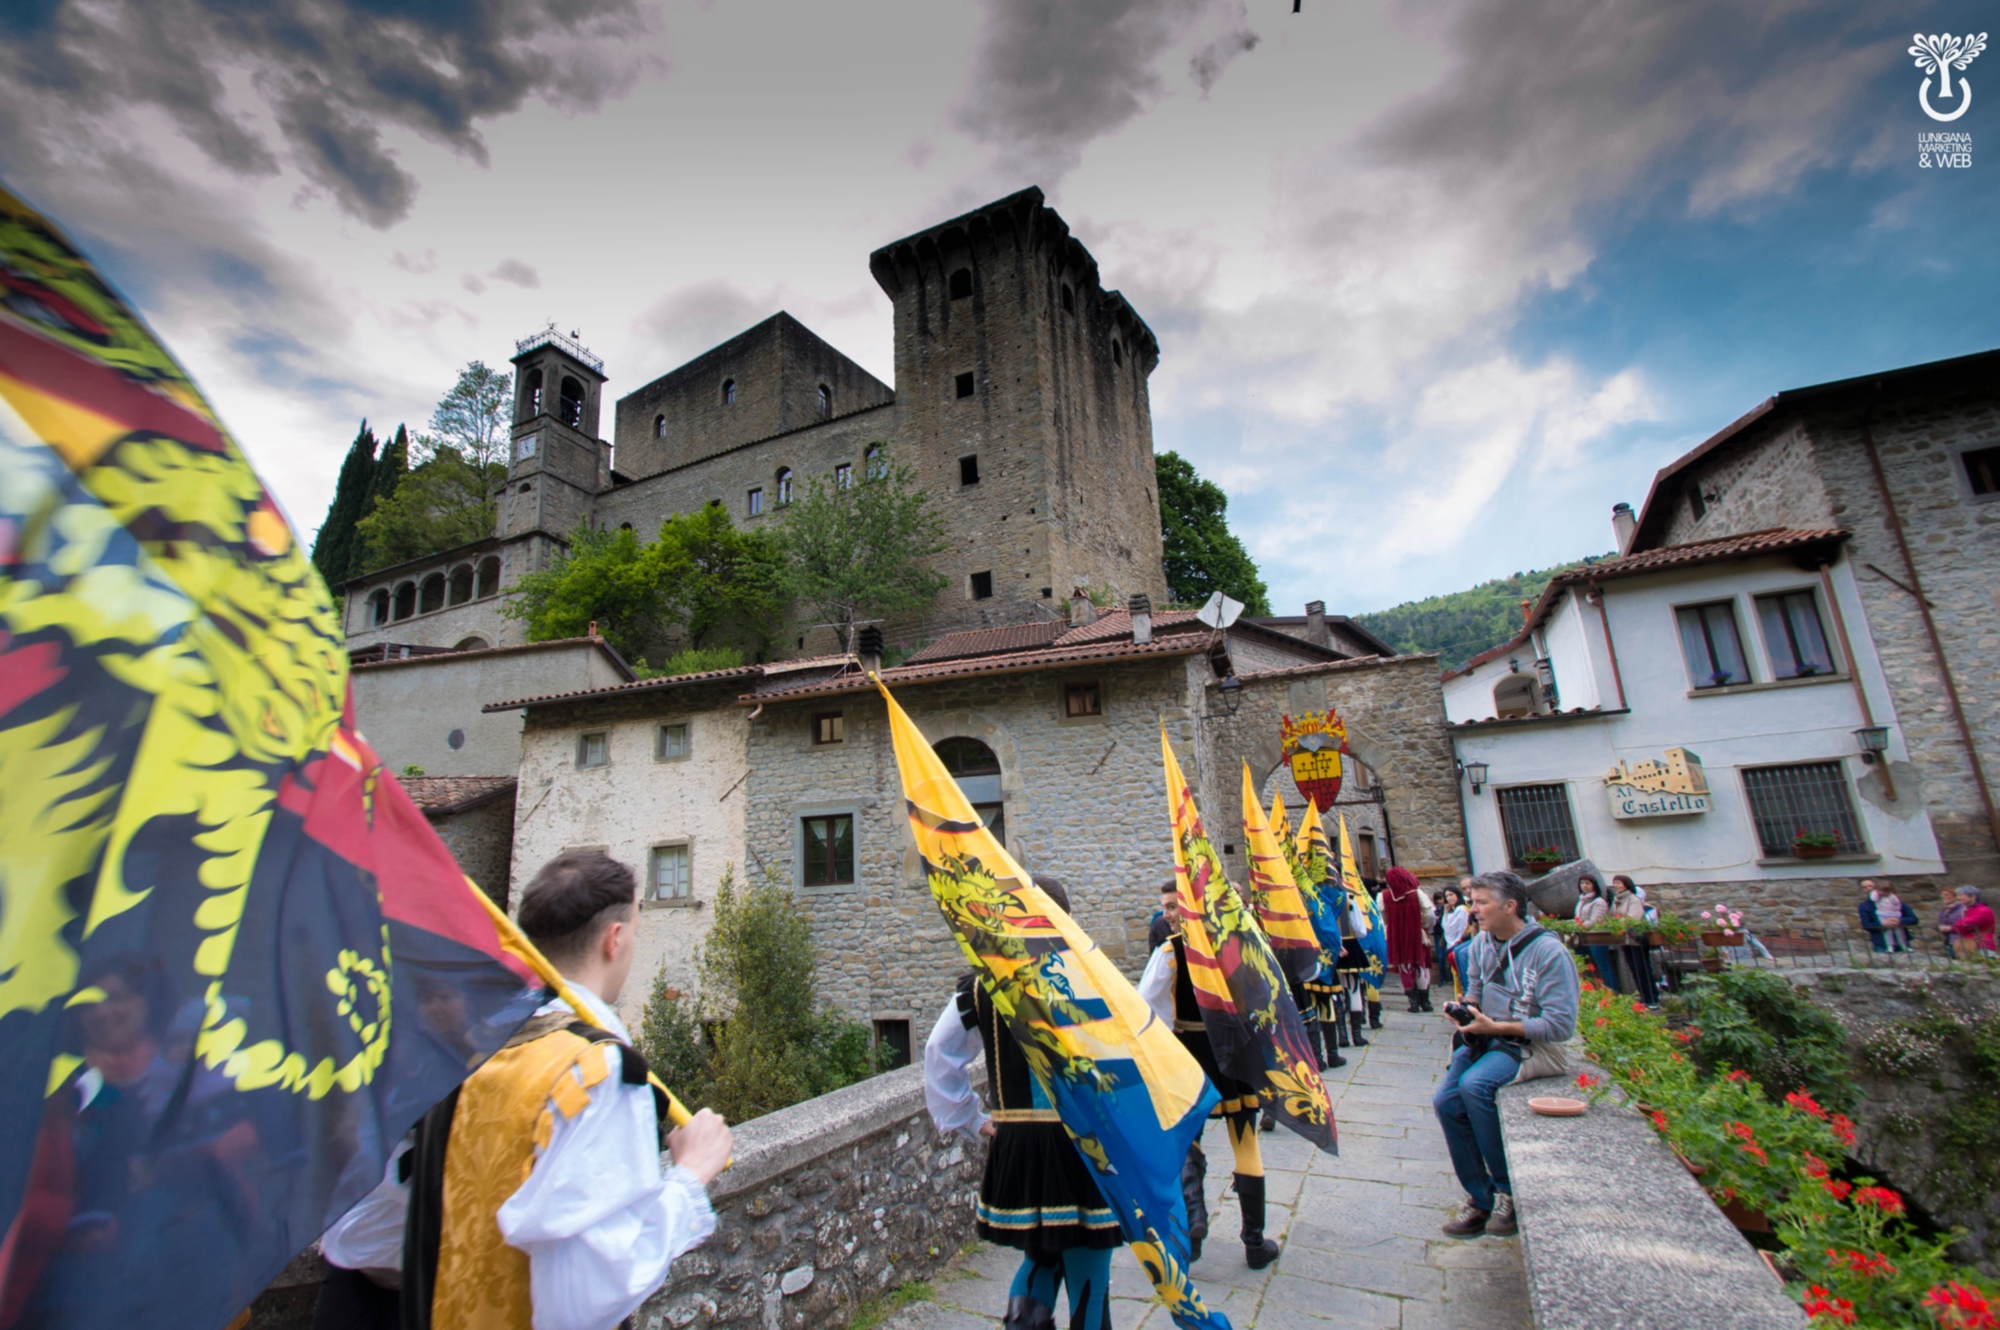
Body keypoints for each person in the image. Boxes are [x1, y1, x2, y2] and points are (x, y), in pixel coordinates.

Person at [401, 851, 732, 1330]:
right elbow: (585, 1294)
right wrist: (690, 1176)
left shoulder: (468, 1054)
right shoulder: (595, 1071)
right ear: (614, 939)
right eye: (636, 928)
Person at [925, 877, 1124, 1329]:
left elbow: (939, 1055)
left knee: (1042, 1252)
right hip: (1084, 1144)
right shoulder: (1093, 978)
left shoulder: (982, 986)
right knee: (1088, 1264)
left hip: (1021, 1143)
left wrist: (974, 1120)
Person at [1139, 885, 1284, 1271]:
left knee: (1189, 1137)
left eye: (1173, 907)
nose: (1168, 915)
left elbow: (1147, 1009)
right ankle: (1254, 1242)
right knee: (1245, 1143)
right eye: (1166, 908)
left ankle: (1195, 1220)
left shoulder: (1171, 951)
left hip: (1193, 1059)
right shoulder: (1239, 943)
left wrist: (1172, 1032)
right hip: (1236, 1057)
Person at [1434, 872, 1580, 1240]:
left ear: (1510, 906)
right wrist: (1466, 1009)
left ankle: (1509, 1192)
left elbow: (1561, 1026)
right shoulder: (1483, 943)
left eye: (1481, 902)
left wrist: (1497, 1028)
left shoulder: (1549, 952)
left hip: (1528, 1044)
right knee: (1445, 1102)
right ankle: (1479, 1196)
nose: (1473, 908)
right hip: (1488, 1037)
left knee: (1476, 1086)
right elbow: (1476, 986)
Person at [1382, 867, 1435, 1012]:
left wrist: (1390, 927)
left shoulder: (1384, 896)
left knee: (1405, 966)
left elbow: (1382, 917)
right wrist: (1425, 926)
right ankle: (1425, 1002)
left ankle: (1413, 1003)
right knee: (1420, 965)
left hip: (1396, 934)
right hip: (1417, 933)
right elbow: (1430, 914)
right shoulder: (1417, 893)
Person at [1609, 875, 1658, 1006]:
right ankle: (1643, 996)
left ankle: (1652, 997)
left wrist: (1617, 922)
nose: (1615, 885)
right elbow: (1612, 916)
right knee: (1634, 969)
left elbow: (1633, 918)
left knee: (1642, 968)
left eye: (1618, 883)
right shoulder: (1617, 900)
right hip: (1625, 939)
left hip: (1636, 938)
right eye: (1614, 883)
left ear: (1626, 884)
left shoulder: (1633, 899)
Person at [1573, 876, 1617, 991]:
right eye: (1582, 883)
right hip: (1583, 937)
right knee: (1579, 965)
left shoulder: (1599, 902)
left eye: (1587, 883)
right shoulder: (1581, 900)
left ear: (1594, 885)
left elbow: (1595, 920)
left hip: (1596, 937)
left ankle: (1612, 993)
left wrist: (1579, 926)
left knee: (1604, 966)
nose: (1584, 886)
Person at [1946, 886, 1996, 958]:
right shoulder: (1969, 909)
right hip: (1971, 946)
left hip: (1982, 947)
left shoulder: (1983, 910)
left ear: (1973, 897)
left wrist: (1953, 927)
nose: (1958, 898)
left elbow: (1967, 924)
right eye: (1957, 895)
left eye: (1961, 895)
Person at [1858, 883, 1887, 953]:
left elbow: (1912, 919)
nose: (1868, 888)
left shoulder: (1894, 902)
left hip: (1900, 940)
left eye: (1870, 886)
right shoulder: (1864, 906)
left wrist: (1898, 921)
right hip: (1880, 941)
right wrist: (1882, 924)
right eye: (1865, 887)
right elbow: (1866, 925)